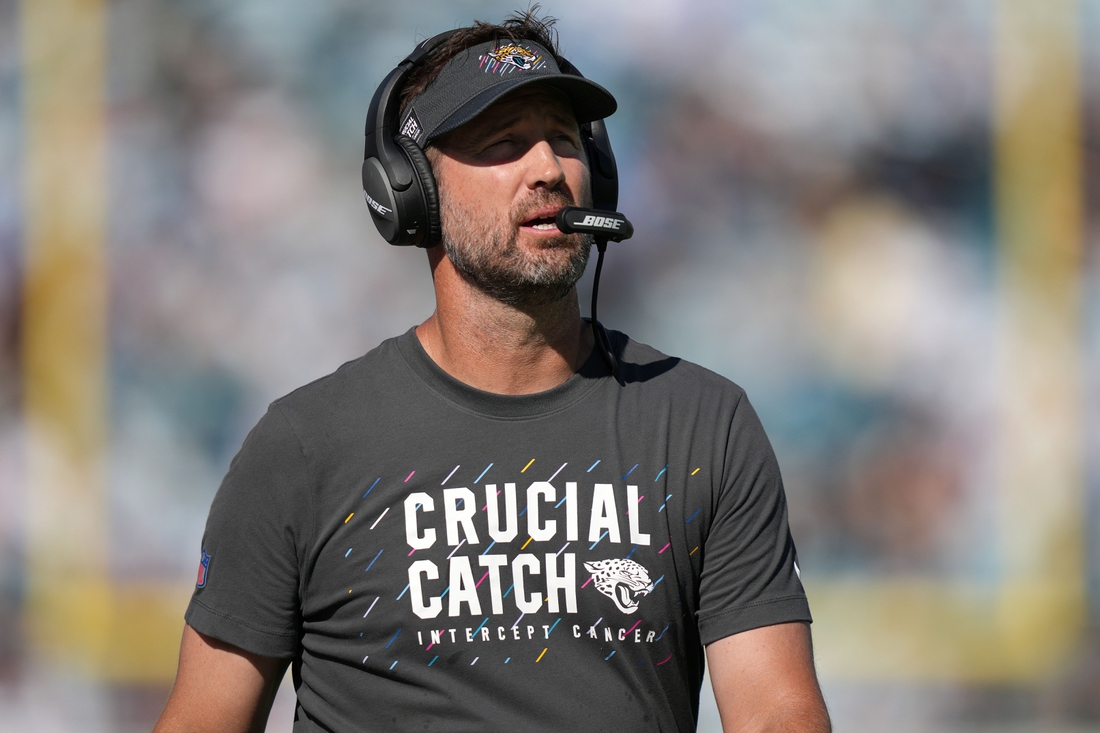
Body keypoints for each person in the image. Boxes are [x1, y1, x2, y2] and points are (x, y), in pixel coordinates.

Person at [154, 10, 830, 733]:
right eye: (503, 143)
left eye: (563, 140)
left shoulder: (701, 423)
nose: (547, 169)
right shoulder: (304, 447)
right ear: (410, 188)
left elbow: (775, 710)